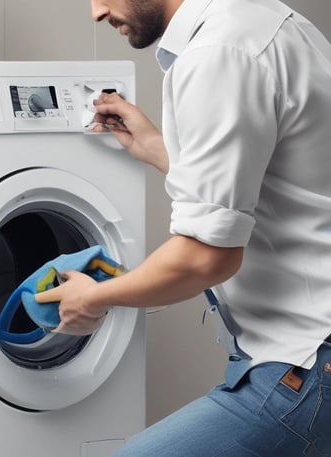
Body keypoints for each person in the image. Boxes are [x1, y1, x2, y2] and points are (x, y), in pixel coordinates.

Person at [36, 0, 331, 455]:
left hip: (307, 366)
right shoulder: (259, 20)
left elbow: (205, 257)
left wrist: (92, 298)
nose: (96, 12)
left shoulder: (217, 52)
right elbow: (268, 181)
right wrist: (156, 146)